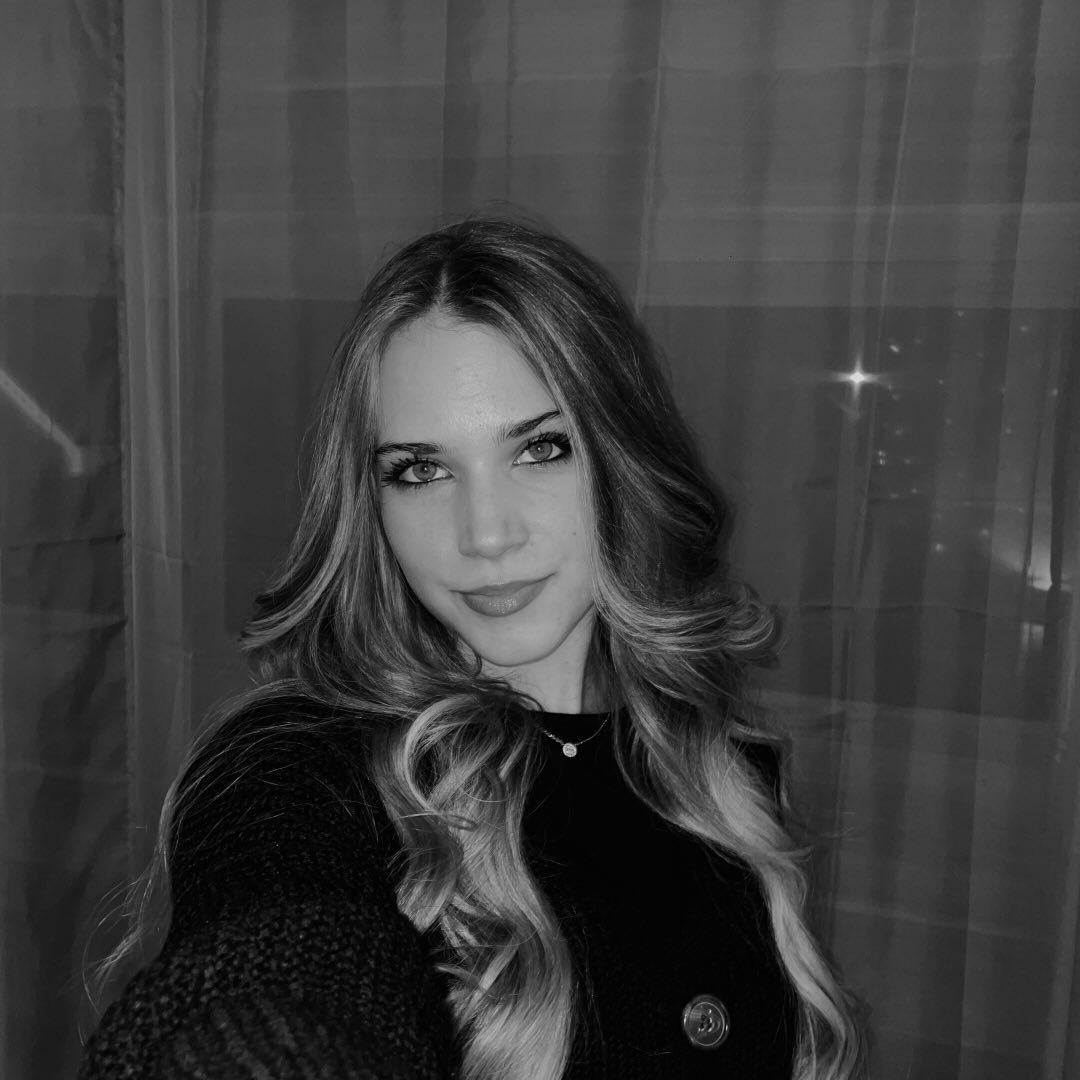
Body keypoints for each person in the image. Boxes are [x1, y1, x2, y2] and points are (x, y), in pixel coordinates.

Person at [79, 217, 866, 1079]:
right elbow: (270, 971)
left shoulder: (714, 763)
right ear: (369, 505)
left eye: (540, 449)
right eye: (421, 470)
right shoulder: (298, 765)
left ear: (622, 459)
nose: (486, 534)